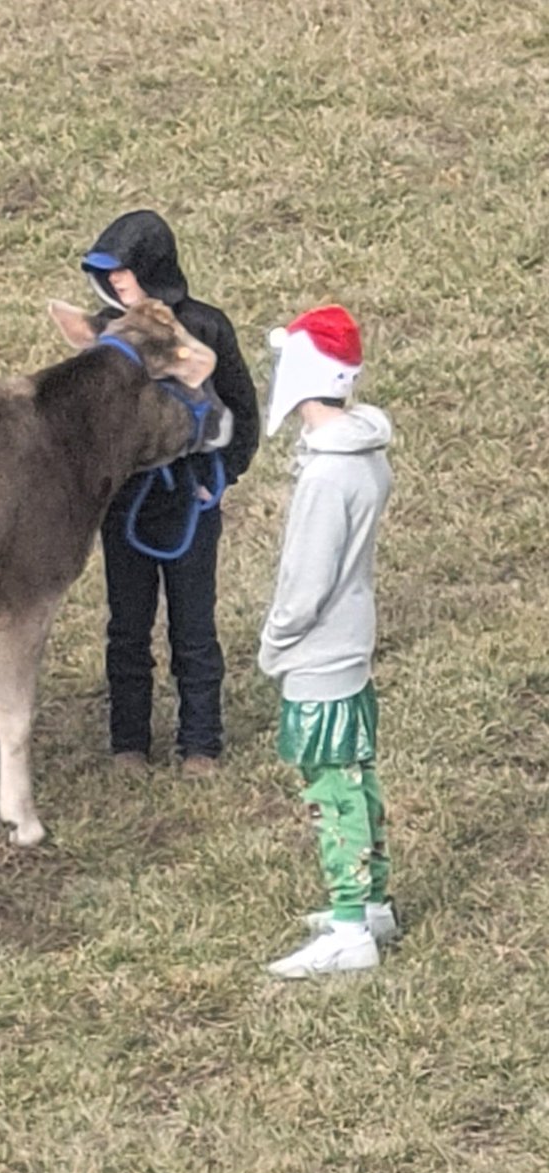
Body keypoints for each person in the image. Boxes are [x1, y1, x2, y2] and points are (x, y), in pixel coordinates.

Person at [80, 210, 259, 774]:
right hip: (126, 501)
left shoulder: (205, 327)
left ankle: (201, 744)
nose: (117, 285)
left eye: (125, 272)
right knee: (126, 626)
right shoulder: (101, 332)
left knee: (194, 625)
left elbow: (241, 409)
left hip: (188, 495)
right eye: (108, 275)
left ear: (153, 269)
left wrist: (220, 476)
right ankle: (128, 743)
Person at [258, 304, 398, 979]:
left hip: (319, 656)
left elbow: (305, 583)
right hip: (352, 646)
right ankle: (371, 903)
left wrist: (275, 641)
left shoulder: (324, 475)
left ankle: (349, 926)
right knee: (358, 779)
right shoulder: (364, 457)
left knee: (330, 791)